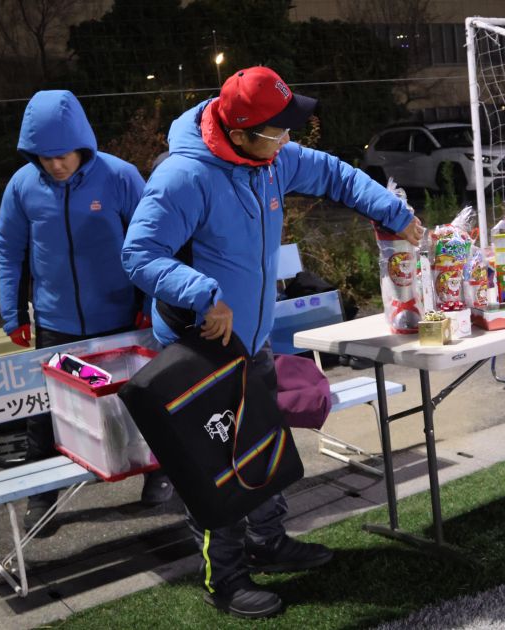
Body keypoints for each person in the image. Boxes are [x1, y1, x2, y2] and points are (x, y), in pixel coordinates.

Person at [121, 66, 424, 619]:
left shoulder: (270, 159)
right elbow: (139, 255)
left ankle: (269, 541)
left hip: (252, 341)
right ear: (239, 133)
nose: (288, 139)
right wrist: (202, 294)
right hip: (201, 349)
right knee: (217, 469)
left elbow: (335, 174)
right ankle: (225, 578)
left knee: (263, 445)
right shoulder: (185, 177)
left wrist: (395, 213)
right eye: (278, 130)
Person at [0, 90, 173, 535]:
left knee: (140, 399)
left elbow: (153, 242)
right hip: (56, 326)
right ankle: (43, 497)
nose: (56, 165)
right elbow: (9, 251)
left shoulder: (120, 177)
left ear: (82, 145)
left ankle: (159, 472)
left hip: (121, 319)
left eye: (63, 155)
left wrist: (149, 303)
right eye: (45, 157)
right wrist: (13, 313)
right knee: (45, 415)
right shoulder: (22, 186)